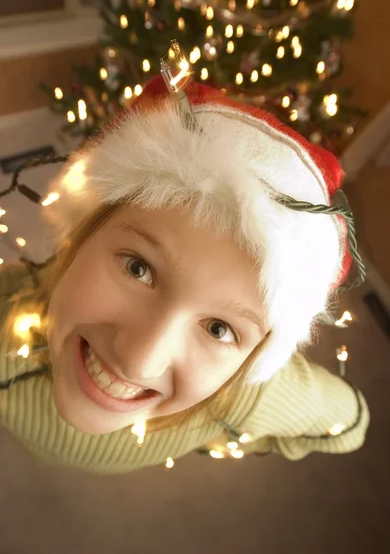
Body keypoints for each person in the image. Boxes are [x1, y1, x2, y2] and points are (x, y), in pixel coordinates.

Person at [0, 60, 369, 475]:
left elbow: (349, 424)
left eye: (219, 329)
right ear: (84, 231)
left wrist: (230, 435)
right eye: (138, 269)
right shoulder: (4, 315)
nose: (140, 361)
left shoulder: (247, 398)